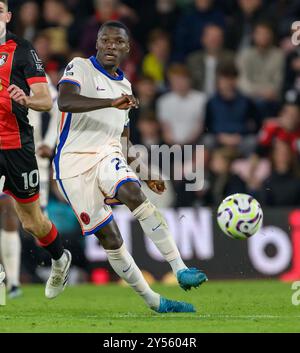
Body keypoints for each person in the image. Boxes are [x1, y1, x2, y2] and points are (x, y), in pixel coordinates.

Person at [56, 20, 207, 313]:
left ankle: (180, 269)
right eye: (106, 40)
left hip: (106, 154)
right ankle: (155, 301)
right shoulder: (79, 68)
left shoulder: (125, 86)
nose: (112, 46)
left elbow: (123, 142)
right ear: (97, 43)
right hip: (72, 163)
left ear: (127, 48)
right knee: (110, 237)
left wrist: (146, 173)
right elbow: (65, 100)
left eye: (118, 42)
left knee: (133, 192)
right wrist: (110, 102)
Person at [0, 0, 71, 299]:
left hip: (17, 146)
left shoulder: (23, 49)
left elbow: (45, 99)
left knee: (32, 221)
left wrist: (27, 99)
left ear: (7, 16)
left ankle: (60, 259)